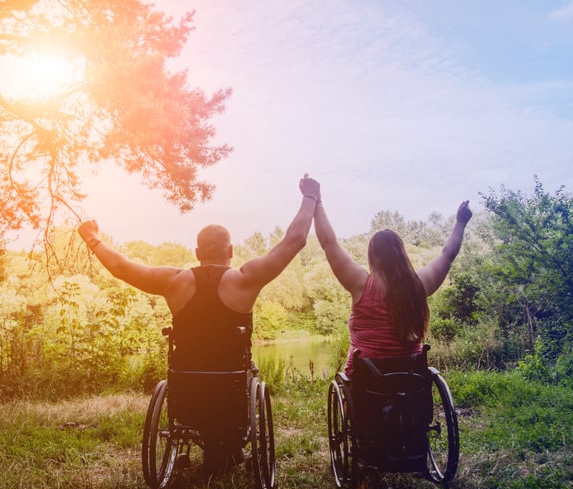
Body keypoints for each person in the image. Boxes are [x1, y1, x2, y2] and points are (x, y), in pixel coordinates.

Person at [77, 176, 320, 472]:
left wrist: (92, 237)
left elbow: (120, 267)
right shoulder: (245, 280)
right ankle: (228, 448)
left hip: (188, 394)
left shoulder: (173, 281)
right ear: (230, 252)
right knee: (245, 374)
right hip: (231, 396)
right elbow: (295, 240)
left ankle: (215, 448)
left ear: (196, 253)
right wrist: (310, 197)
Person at [304, 175, 472, 376]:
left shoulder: (360, 284)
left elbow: (328, 243)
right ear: (402, 253)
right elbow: (448, 254)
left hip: (365, 385)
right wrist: (461, 223)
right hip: (410, 383)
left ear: (372, 256)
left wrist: (316, 200)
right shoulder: (420, 285)